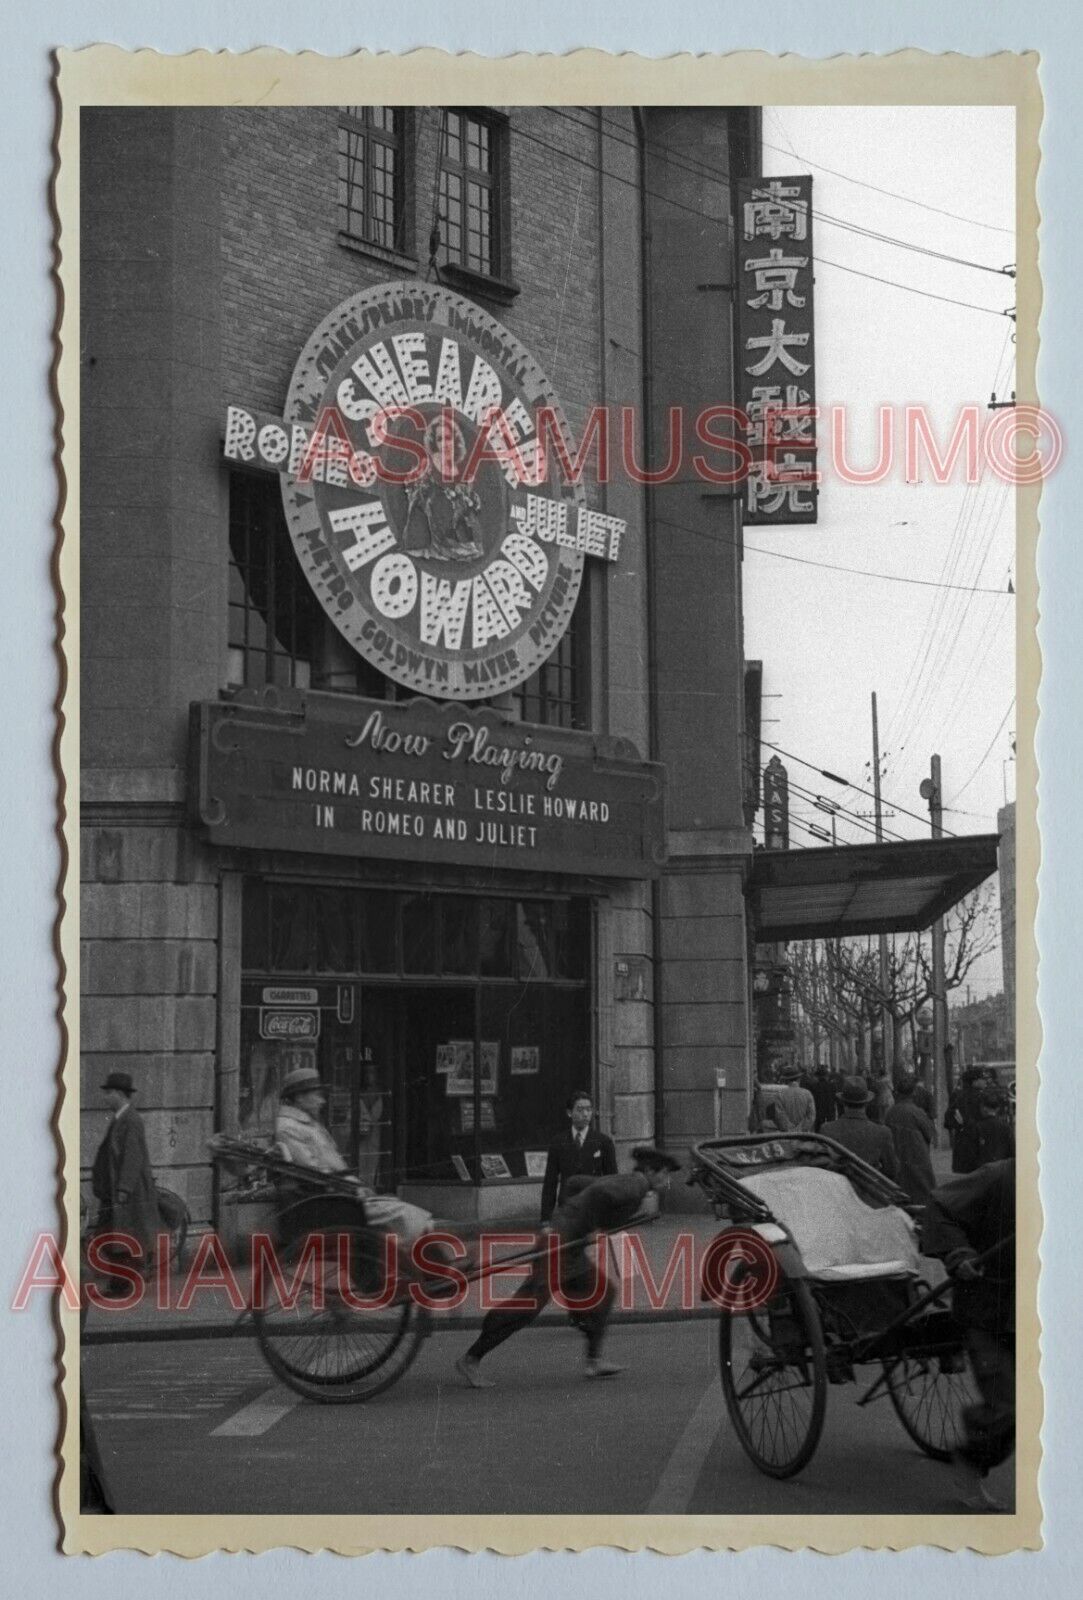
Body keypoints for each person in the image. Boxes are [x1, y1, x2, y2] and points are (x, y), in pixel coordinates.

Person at [455, 1146, 682, 1388]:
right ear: (649, 1170)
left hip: (570, 1246)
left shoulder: (629, 1183)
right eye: (664, 1174)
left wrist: (569, 1216)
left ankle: (593, 1361)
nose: (666, 1180)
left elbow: (575, 1182)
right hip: (560, 1244)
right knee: (526, 1307)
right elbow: (598, 1195)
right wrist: (589, 1226)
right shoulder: (634, 1186)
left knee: (603, 1293)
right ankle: (471, 1358)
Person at [922, 1159, 1015, 1510]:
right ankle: (971, 1458)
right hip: (986, 1307)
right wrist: (960, 1254)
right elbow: (939, 1206)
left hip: (1035, 1307)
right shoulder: (1000, 1176)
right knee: (1008, 1405)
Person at [274, 1064, 435, 1252]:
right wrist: (353, 1188)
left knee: (408, 1213)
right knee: (411, 1217)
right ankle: (421, 1264)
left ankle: (417, 1263)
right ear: (299, 1097)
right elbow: (314, 1171)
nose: (322, 1101)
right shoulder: (290, 1127)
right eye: (316, 1095)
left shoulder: (307, 1124)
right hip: (332, 1199)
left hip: (338, 1194)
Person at [90, 1070, 161, 1292]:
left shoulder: (131, 1120)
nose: (105, 1097)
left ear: (119, 1094)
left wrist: (123, 1189)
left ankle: (123, 1284)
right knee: (114, 1238)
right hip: (115, 1191)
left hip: (126, 1194)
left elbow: (132, 1157)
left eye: (108, 1093)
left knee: (122, 1240)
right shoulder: (121, 1118)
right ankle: (124, 1280)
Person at [539, 1090, 617, 1222]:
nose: (585, 1114)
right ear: (569, 1112)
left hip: (594, 1208)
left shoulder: (603, 1142)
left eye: (588, 1109)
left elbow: (612, 1180)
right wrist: (546, 1218)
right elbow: (550, 1183)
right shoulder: (558, 1142)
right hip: (567, 1207)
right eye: (580, 1110)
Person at [819, 1076, 899, 1179]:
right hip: (869, 1191)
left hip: (837, 1192)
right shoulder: (882, 1132)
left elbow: (821, 1170)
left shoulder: (826, 1130)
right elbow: (892, 1170)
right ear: (866, 1103)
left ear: (842, 1103)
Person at [885, 1074, 936, 1204]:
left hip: (897, 1159)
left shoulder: (890, 1113)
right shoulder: (917, 1112)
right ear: (913, 1093)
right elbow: (930, 1133)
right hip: (916, 1160)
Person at [951, 1083, 1015, 1175]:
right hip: (1002, 1170)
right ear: (997, 1109)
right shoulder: (1006, 1127)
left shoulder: (978, 1127)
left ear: (983, 1108)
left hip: (982, 1171)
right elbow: (1011, 1150)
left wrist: (962, 1128)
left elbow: (970, 1153)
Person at [756, 1060, 816, 1133]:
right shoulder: (807, 1094)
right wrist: (800, 1129)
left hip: (786, 1135)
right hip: (803, 1136)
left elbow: (780, 1116)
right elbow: (811, 1116)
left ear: (786, 1081)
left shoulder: (780, 1095)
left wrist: (790, 1130)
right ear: (799, 1079)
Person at [809, 1064, 839, 1132]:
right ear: (826, 1076)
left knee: (818, 1133)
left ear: (818, 1076)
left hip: (818, 1113)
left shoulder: (813, 1086)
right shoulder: (832, 1086)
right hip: (830, 1113)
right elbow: (836, 1099)